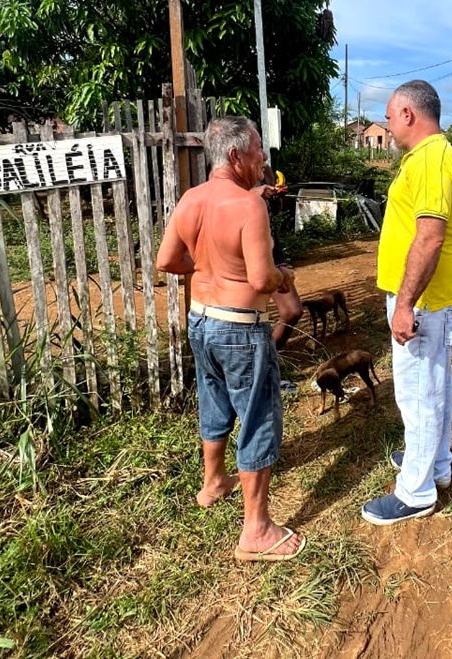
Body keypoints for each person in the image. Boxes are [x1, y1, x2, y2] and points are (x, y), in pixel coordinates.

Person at [156, 116, 306, 561]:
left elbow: (166, 260)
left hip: (201, 320)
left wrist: (205, 269)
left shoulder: (191, 199)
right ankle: (256, 530)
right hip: (241, 326)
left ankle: (213, 483)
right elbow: (261, 278)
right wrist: (285, 278)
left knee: (214, 399)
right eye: (259, 150)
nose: (264, 159)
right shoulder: (248, 207)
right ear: (237, 155)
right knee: (259, 415)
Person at [361, 80, 452, 525]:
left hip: (424, 302)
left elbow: (429, 236)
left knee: (419, 394)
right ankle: (434, 464)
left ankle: (416, 491)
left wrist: (404, 305)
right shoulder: (427, 158)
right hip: (429, 298)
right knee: (432, 387)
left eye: (388, 115)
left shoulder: (432, 159)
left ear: (408, 113)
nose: (386, 124)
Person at [254, 164, 303, 356]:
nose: (263, 154)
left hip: (272, 252)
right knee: (252, 314)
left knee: (292, 311)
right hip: (245, 254)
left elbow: (274, 211)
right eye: (257, 147)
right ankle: (260, 365)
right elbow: (222, 204)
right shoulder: (228, 174)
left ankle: (269, 358)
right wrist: (253, 194)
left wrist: (277, 197)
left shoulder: (264, 170)